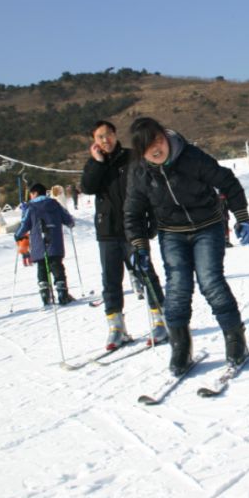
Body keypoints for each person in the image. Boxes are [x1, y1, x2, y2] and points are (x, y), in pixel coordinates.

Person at [124, 117, 249, 376]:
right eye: (149, 146)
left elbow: (227, 181)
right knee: (177, 287)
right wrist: (138, 246)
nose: (157, 148)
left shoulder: (190, 156)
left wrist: (242, 217)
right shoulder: (139, 173)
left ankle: (235, 338)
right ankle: (180, 345)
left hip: (208, 225)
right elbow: (133, 212)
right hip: (172, 232)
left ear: (164, 135)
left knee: (210, 281)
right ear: (141, 151)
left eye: (159, 140)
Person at [81, 120, 167, 351]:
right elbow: (87, 187)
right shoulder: (94, 164)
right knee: (110, 281)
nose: (105, 140)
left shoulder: (133, 158)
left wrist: (152, 220)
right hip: (107, 231)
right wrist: (98, 163)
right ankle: (116, 327)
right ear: (94, 141)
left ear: (115, 134)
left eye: (108, 134)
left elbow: (150, 188)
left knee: (145, 273)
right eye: (99, 137)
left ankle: (161, 321)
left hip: (133, 228)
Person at [14, 183, 76, 306]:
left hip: (39, 243)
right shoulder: (55, 204)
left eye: (31, 194)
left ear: (35, 193)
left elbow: (24, 224)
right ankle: (62, 292)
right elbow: (67, 219)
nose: (30, 196)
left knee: (42, 267)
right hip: (55, 242)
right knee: (57, 266)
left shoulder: (30, 207)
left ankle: (45, 294)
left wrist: (18, 235)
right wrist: (70, 223)